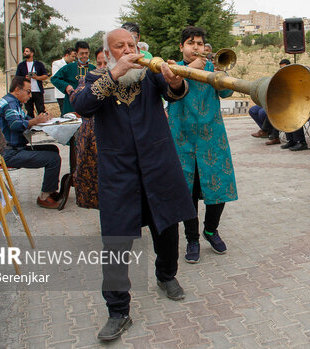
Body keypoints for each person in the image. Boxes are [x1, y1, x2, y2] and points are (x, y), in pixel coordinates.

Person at [72, 28, 196, 341]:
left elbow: (174, 93)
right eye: (121, 46)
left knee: (166, 226)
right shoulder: (96, 79)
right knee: (115, 242)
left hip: (158, 165)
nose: (129, 49)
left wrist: (175, 81)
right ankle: (117, 311)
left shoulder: (150, 73)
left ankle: (166, 276)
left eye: (132, 44)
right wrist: (116, 73)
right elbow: (84, 106)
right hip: (119, 173)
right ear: (108, 53)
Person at [167, 26, 238, 264]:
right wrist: (188, 69)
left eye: (199, 43)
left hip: (212, 139)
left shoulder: (211, 68)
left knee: (219, 190)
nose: (195, 47)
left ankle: (211, 230)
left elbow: (227, 92)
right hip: (182, 140)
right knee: (188, 194)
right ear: (181, 47)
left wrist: (221, 72)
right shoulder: (172, 68)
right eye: (190, 43)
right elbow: (167, 91)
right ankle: (192, 239)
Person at [0, 76, 62, 209]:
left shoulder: (13, 102)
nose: (30, 96)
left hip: (15, 148)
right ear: (17, 90)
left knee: (53, 149)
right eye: (28, 91)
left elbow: (26, 118)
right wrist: (35, 121)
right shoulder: (10, 103)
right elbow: (15, 124)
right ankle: (44, 197)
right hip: (9, 153)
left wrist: (41, 119)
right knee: (53, 159)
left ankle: (50, 190)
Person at [72, 47, 106, 209]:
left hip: (113, 143)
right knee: (96, 184)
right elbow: (77, 98)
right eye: (99, 63)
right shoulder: (88, 80)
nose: (102, 67)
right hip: (91, 143)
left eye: (106, 62)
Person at [51, 41, 96, 115]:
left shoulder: (93, 68)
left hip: (89, 104)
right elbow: (54, 79)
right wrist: (66, 86)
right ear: (76, 54)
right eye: (81, 53)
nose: (84, 56)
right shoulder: (69, 67)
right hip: (71, 105)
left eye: (86, 53)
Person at [15, 46, 49, 118]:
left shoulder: (39, 64)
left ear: (32, 53)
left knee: (41, 110)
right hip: (27, 91)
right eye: (24, 51)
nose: (25, 53)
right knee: (29, 110)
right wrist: (25, 79)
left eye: (27, 51)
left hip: (37, 90)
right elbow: (17, 77)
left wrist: (36, 77)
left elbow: (45, 76)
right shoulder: (21, 65)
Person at [51, 48, 77, 115]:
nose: (74, 59)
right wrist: (66, 86)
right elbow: (56, 78)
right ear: (67, 55)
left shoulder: (74, 65)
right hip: (62, 94)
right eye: (73, 56)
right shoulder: (57, 63)